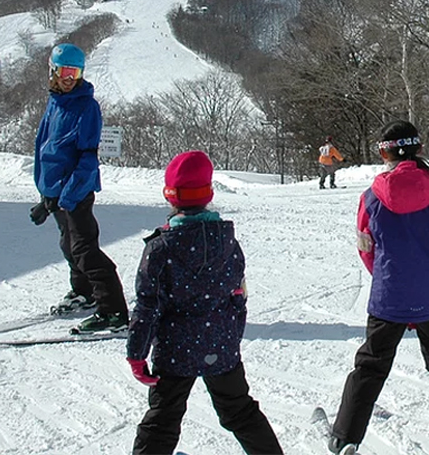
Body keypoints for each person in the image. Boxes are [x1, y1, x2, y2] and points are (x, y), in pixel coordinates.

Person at [329, 121, 429, 454]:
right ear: (418, 149)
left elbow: (365, 247)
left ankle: (346, 436)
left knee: (371, 365)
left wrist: (387, 279)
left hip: (390, 295)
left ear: (384, 153)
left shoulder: (371, 196)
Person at [127, 151, 283, 455]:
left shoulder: (160, 248)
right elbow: (238, 296)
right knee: (239, 410)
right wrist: (230, 337)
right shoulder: (228, 242)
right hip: (220, 344)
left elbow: (147, 306)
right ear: (208, 194)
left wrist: (137, 353)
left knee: (163, 418)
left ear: (170, 196)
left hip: (176, 350)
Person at [31, 43, 129, 334]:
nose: (69, 79)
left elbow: (87, 157)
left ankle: (113, 310)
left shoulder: (87, 106)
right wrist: (46, 196)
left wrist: (68, 195)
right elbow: (47, 148)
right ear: (53, 71)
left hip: (76, 191)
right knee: (68, 244)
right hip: (57, 192)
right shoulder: (55, 102)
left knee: (85, 250)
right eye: (64, 72)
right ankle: (84, 292)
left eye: (74, 73)